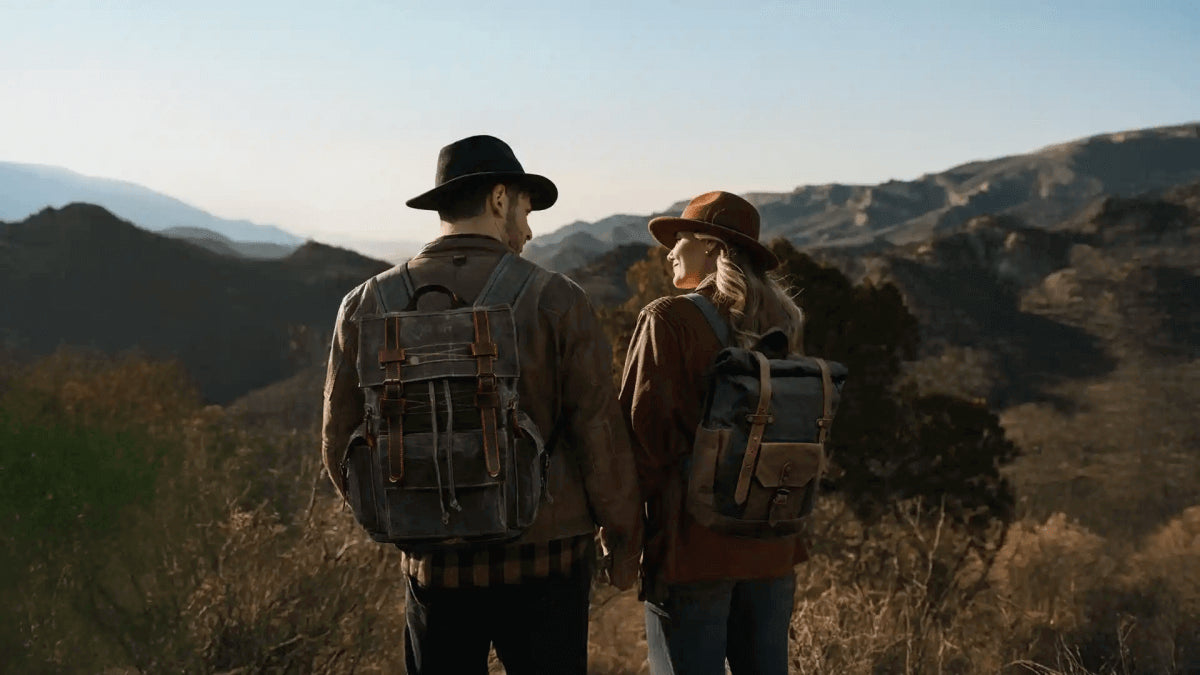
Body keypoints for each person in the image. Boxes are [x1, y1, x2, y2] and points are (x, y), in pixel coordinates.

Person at [322, 135, 642, 675]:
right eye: (526, 207)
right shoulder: (556, 298)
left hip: (436, 569)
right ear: (499, 200)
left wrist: (406, 518)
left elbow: (338, 443)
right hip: (548, 561)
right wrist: (625, 537)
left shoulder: (365, 303)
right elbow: (598, 434)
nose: (530, 226)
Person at [619, 190, 807, 675]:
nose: (669, 251)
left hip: (691, 545)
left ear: (709, 247)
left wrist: (621, 536)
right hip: (772, 544)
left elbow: (642, 441)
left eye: (679, 239)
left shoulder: (668, 318)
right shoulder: (783, 323)